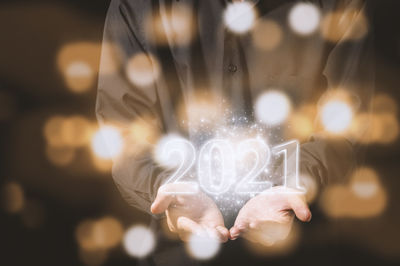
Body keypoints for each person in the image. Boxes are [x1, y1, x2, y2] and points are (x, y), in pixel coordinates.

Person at [96, 0, 373, 263]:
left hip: (305, 250)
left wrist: (296, 183)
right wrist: (161, 184)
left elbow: (346, 127)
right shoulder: (138, 5)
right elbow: (122, 128)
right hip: (177, 255)